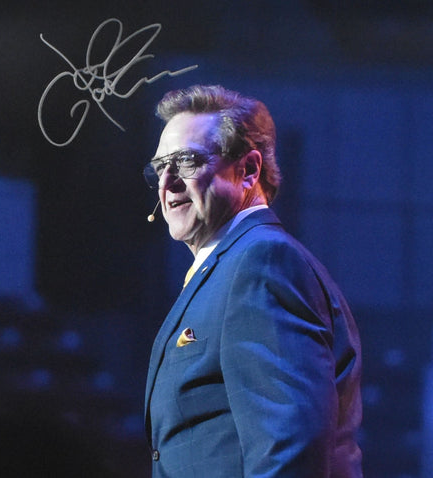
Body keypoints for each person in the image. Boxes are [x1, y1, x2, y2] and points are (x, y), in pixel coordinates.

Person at [143, 85, 362, 477]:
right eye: (160, 167)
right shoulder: (230, 267)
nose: (167, 182)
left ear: (248, 170)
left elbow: (290, 447)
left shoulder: (263, 262)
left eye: (187, 161)